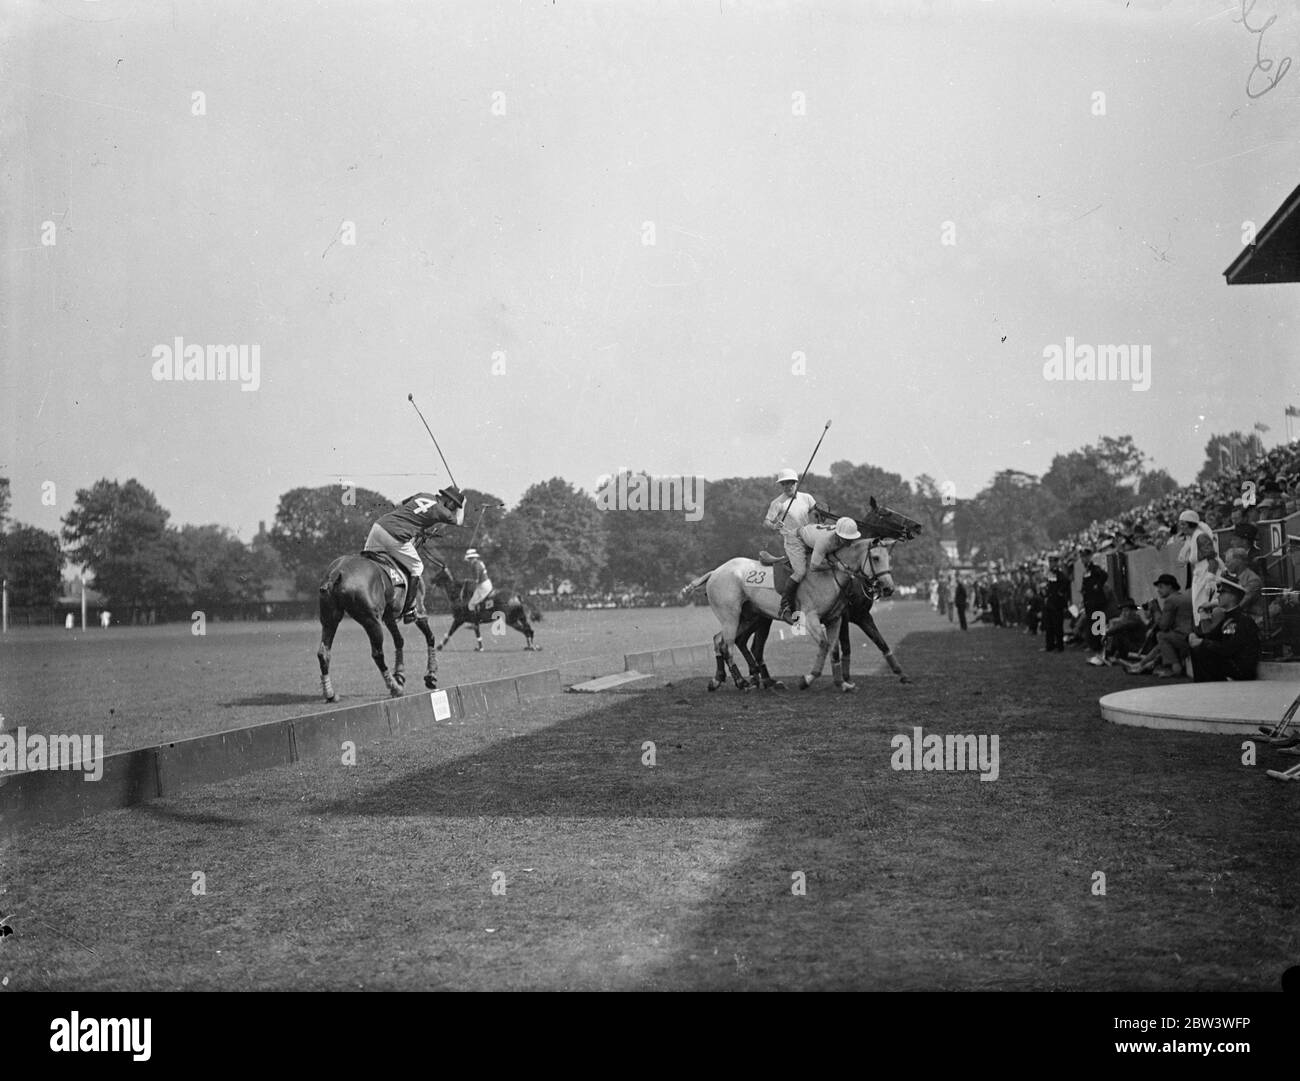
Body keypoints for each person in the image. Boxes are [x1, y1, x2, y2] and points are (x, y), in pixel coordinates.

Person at [365, 487, 466, 622]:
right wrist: (463, 506)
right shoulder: (442, 511)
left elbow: (398, 505)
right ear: (450, 502)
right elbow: (459, 521)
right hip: (395, 535)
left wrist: (417, 524)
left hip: (379, 526)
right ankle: (409, 610)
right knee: (417, 567)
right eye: (454, 505)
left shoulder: (423, 494)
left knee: (367, 561)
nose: (453, 508)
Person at [764, 468, 821, 622]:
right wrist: (775, 526)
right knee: (801, 572)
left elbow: (816, 513)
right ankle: (785, 606)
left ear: (796, 483)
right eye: (784, 484)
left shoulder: (807, 498)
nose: (787, 486)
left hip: (810, 535)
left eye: (790, 483)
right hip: (793, 541)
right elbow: (767, 522)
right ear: (781, 485)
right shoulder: (777, 503)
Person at [786, 516, 860, 624]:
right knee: (800, 572)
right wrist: (835, 565)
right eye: (847, 539)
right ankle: (785, 606)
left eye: (851, 539)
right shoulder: (825, 541)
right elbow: (814, 567)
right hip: (795, 539)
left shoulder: (840, 534)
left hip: (810, 538)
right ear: (838, 535)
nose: (849, 543)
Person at [1189, 573, 1261, 682]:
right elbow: (1212, 636)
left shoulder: (1241, 620)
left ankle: (1207, 686)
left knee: (1203, 650)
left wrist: (1203, 642)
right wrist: (1194, 635)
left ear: (1232, 596)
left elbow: (1229, 648)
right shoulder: (1228, 617)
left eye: (1222, 593)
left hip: (1240, 668)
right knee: (1198, 648)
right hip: (1230, 662)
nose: (1218, 596)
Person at [1125, 574, 1193, 678]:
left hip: (1183, 638)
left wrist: (1155, 609)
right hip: (1190, 636)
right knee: (1163, 641)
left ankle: (1175, 668)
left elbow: (1163, 625)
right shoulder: (1184, 597)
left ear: (1170, 586)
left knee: (1161, 636)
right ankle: (1140, 664)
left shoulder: (1171, 600)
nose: (1158, 590)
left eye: (1161, 587)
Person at [1174, 509, 1220, 617]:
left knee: (1204, 605)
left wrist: (1210, 579)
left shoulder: (1201, 537)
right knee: (1197, 606)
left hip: (1207, 573)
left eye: (1183, 524)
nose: (1181, 527)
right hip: (1198, 574)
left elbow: (1213, 559)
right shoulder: (1190, 538)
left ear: (1190, 524)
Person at [1079, 547, 1109, 659]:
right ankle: (1095, 648)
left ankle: (1100, 649)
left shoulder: (1094, 569)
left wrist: (1097, 586)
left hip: (1096, 602)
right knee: (1092, 626)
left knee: (1098, 626)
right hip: (1090, 603)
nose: (1083, 559)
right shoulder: (1086, 571)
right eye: (1082, 557)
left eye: (1085, 557)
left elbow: (1104, 575)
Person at [1041, 554, 1070, 653]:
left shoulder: (1060, 574)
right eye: (1050, 562)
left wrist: (1059, 593)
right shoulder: (1050, 574)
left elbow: (1065, 583)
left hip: (1057, 604)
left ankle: (1059, 646)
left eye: (1053, 562)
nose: (1051, 564)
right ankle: (1049, 645)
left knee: (1057, 626)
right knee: (1049, 626)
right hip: (1050, 603)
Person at [464, 547, 493, 615]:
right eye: (469, 559)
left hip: (482, 586)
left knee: (471, 604)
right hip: (488, 583)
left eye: (470, 559)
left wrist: (468, 580)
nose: (469, 560)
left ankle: (476, 622)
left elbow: (476, 580)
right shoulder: (479, 562)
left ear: (473, 558)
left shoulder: (475, 565)